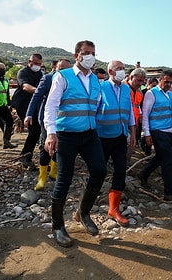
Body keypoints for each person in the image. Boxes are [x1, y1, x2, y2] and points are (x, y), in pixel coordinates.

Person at [43, 40, 106, 248]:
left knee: (99, 171)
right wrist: (51, 133)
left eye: (93, 53)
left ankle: (83, 213)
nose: (90, 56)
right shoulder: (63, 76)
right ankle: (58, 226)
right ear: (76, 54)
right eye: (86, 53)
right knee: (64, 179)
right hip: (66, 135)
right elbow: (50, 106)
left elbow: (95, 106)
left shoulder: (96, 80)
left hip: (89, 134)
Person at [96, 60, 136, 226]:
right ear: (111, 72)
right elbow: (93, 110)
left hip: (120, 135)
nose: (122, 71)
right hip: (103, 136)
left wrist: (133, 133)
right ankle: (86, 205)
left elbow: (130, 112)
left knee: (121, 170)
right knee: (98, 171)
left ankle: (114, 209)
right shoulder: (101, 87)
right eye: (119, 69)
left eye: (123, 68)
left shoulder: (126, 88)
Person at [138, 70, 172, 201]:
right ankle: (169, 193)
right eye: (166, 82)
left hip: (168, 131)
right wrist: (147, 133)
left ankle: (143, 174)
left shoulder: (171, 95)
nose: (169, 84)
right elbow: (145, 115)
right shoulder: (151, 93)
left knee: (161, 157)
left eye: (171, 82)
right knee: (167, 160)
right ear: (160, 80)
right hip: (157, 131)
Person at [25, 58, 72, 191]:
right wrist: (29, 114)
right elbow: (36, 97)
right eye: (61, 69)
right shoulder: (48, 79)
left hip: (64, 119)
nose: (64, 72)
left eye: (67, 69)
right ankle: (41, 178)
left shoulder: (72, 80)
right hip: (47, 118)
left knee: (60, 146)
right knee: (45, 147)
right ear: (56, 68)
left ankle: (53, 172)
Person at [12, 53, 44, 169]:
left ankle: (26, 156)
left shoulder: (40, 74)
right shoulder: (23, 72)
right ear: (29, 62)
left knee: (36, 130)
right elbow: (25, 87)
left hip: (34, 105)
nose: (38, 66)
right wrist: (40, 91)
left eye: (40, 64)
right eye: (36, 64)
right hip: (23, 105)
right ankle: (25, 157)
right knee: (34, 130)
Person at [0, 62, 15, 149]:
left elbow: (7, 92)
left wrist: (9, 104)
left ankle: (6, 141)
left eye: (3, 69)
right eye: (0, 69)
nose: (2, 70)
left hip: (3, 105)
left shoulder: (5, 79)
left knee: (10, 121)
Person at [126, 68, 147, 154]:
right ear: (131, 77)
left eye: (142, 81)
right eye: (138, 80)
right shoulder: (123, 88)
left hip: (134, 124)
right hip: (122, 123)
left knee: (131, 145)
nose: (140, 83)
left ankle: (125, 164)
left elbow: (137, 107)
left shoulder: (139, 93)